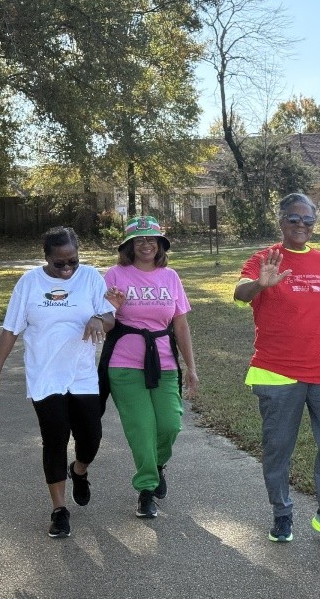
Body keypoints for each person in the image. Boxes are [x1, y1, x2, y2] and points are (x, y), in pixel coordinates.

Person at [233, 193, 320, 545]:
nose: (302, 226)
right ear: (281, 221)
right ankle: (281, 513)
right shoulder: (265, 259)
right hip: (277, 371)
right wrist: (260, 284)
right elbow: (239, 294)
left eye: (308, 220)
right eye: (294, 219)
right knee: (279, 447)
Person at [0, 226, 116, 539]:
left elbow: (109, 318)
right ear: (46, 258)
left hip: (82, 376)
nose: (67, 268)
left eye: (73, 261)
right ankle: (59, 509)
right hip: (44, 377)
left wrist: (99, 320)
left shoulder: (91, 278)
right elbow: (10, 329)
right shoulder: (29, 283)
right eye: (60, 263)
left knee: (91, 438)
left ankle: (79, 470)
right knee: (54, 440)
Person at [98, 215, 198, 519]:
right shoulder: (114, 275)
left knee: (170, 424)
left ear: (160, 244)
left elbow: (180, 325)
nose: (146, 244)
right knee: (142, 427)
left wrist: (191, 368)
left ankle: (156, 465)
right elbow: (103, 324)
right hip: (125, 363)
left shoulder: (171, 277)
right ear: (129, 245)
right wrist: (111, 309)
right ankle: (146, 489)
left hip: (165, 361)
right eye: (139, 240)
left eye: (152, 239)